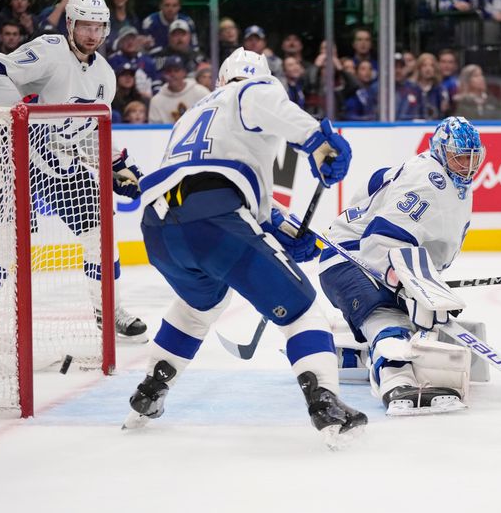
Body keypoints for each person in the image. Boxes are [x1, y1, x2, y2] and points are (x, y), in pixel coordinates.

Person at [122, 47, 366, 448]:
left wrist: (287, 230)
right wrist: (321, 143)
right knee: (302, 311)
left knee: (200, 305)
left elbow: (247, 197)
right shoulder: (253, 90)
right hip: (214, 222)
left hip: (159, 229)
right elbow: (269, 111)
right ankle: (325, 401)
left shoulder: (195, 111)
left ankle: (149, 391)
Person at [0, 0, 147, 340]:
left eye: (99, 27)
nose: (92, 34)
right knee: (0, 246)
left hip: (61, 169)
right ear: (70, 24)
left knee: (101, 235)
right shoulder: (50, 49)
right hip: (16, 162)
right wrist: (20, 114)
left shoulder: (105, 75)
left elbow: (89, 130)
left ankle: (109, 311)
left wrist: (118, 164)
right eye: (85, 26)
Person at [318, 116, 485, 414]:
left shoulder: (441, 176)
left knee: (417, 321)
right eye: (459, 157)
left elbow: (376, 182)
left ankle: (350, 353)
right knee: (389, 319)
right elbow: (380, 242)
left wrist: (421, 282)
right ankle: (396, 381)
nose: (467, 166)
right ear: (440, 150)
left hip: (372, 260)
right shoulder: (426, 181)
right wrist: (411, 284)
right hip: (352, 259)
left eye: (473, 158)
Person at [148, 56, 210, 124]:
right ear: (164, 74)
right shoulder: (156, 101)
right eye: (169, 71)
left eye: (176, 70)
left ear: (184, 72)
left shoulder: (201, 92)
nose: (172, 74)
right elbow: (155, 129)